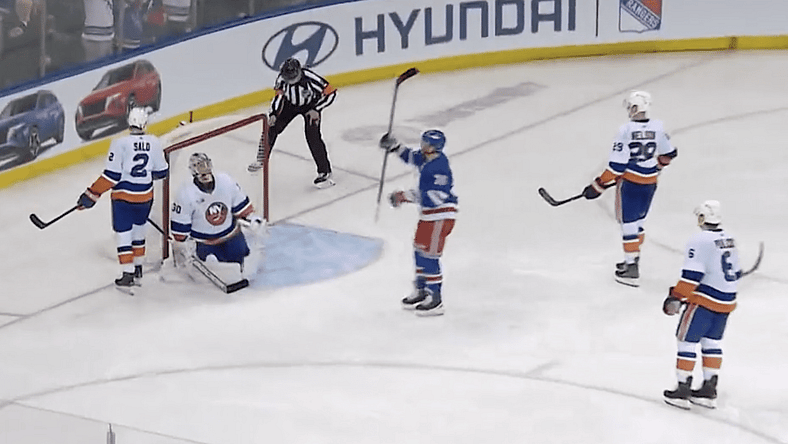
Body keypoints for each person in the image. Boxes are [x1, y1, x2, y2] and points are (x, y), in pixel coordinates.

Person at [581, 90, 678, 287]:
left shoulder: (625, 130)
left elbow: (617, 166)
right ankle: (632, 258)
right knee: (638, 222)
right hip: (650, 183)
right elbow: (669, 154)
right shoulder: (658, 127)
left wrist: (597, 185)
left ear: (634, 108)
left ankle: (631, 265)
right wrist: (657, 167)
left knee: (628, 224)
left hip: (630, 184)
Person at [77, 107, 168, 290]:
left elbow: (112, 176)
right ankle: (138, 268)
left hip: (123, 198)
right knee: (139, 231)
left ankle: (128, 273)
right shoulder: (154, 142)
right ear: (144, 123)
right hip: (145, 197)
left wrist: (91, 195)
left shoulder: (120, 143)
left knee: (124, 234)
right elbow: (162, 172)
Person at [662, 200, 741, 410]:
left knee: (686, 342)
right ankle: (709, 389)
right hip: (726, 302)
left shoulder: (699, 240)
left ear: (702, 217)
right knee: (712, 343)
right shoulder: (730, 239)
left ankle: (682, 389)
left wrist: (677, 296)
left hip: (704, 300)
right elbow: (736, 271)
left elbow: (692, 275)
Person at [379, 129, 458, 316]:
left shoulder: (439, 168)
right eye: (423, 142)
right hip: (428, 216)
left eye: (426, 144)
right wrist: (395, 146)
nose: (422, 146)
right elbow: (411, 156)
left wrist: (404, 196)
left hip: (440, 216)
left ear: (435, 147)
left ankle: (435, 298)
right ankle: (421, 289)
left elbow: (433, 197)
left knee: (430, 256)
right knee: (419, 251)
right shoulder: (426, 158)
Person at [170, 152, 265, 277]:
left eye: (206, 166)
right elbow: (180, 232)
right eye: (200, 168)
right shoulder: (185, 193)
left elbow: (242, 208)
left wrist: (252, 219)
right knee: (209, 271)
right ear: (193, 171)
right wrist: (183, 247)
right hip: (203, 242)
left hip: (231, 236)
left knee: (243, 260)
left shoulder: (225, 181)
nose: (205, 173)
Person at [252, 57, 337, 188]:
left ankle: (324, 171)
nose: (290, 80)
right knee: (271, 128)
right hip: (290, 105)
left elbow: (331, 93)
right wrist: (273, 113)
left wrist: (316, 109)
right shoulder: (281, 79)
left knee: (313, 136)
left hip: (311, 106)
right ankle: (261, 159)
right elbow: (279, 97)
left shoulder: (310, 78)